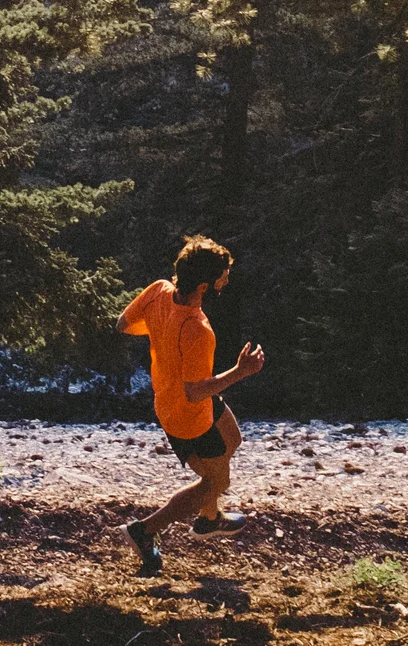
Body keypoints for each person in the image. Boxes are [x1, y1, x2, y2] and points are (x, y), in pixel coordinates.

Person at [118, 235, 266, 575]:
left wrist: (161, 329)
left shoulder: (158, 291)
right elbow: (196, 392)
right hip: (188, 416)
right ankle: (144, 530)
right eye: (223, 275)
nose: (227, 278)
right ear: (204, 284)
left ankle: (209, 518)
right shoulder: (198, 329)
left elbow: (123, 324)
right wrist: (241, 372)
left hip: (180, 400)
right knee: (215, 484)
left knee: (233, 439)